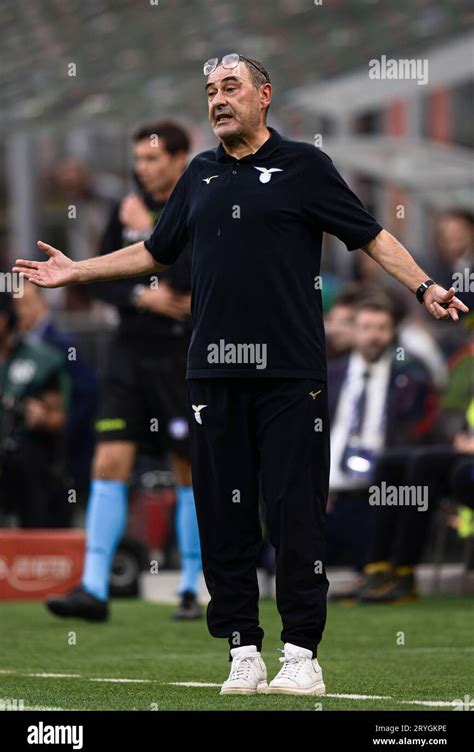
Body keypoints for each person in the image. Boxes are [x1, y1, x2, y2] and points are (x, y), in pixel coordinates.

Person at [13, 53, 469, 696]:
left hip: (290, 376)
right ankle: (241, 648)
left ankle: (302, 653)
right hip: (211, 377)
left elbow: (369, 236)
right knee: (223, 518)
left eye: (231, 88)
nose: (218, 99)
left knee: (294, 514)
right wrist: (76, 271)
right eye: (209, 91)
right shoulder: (198, 175)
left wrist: (424, 286)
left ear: (264, 96)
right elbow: (154, 250)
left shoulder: (305, 167)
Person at [44, 120, 202, 622]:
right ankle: (94, 588)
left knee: (188, 468)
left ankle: (192, 587)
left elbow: (190, 279)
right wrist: (142, 294)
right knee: (108, 461)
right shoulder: (127, 206)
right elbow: (101, 278)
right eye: (138, 159)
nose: (143, 168)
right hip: (130, 354)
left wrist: (144, 234)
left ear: (180, 158)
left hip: (183, 357)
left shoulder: (203, 198)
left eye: (153, 158)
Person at [326, 296, 435, 575]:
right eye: (366, 328)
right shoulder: (328, 375)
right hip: (327, 493)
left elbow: (418, 435)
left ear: (392, 331)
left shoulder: (411, 379)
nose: (374, 336)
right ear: (352, 331)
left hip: (379, 492)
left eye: (382, 328)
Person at [16, 280, 98, 509]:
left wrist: (62, 428)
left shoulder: (61, 345)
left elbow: (87, 394)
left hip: (61, 452)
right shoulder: (18, 345)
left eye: (25, 303)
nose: (19, 311)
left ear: (41, 304)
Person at [0, 292, 70, 528]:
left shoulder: (41, 359)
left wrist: (41, 417)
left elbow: (60, 418)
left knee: (27, 461)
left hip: (25, 457)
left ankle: (36, 550)